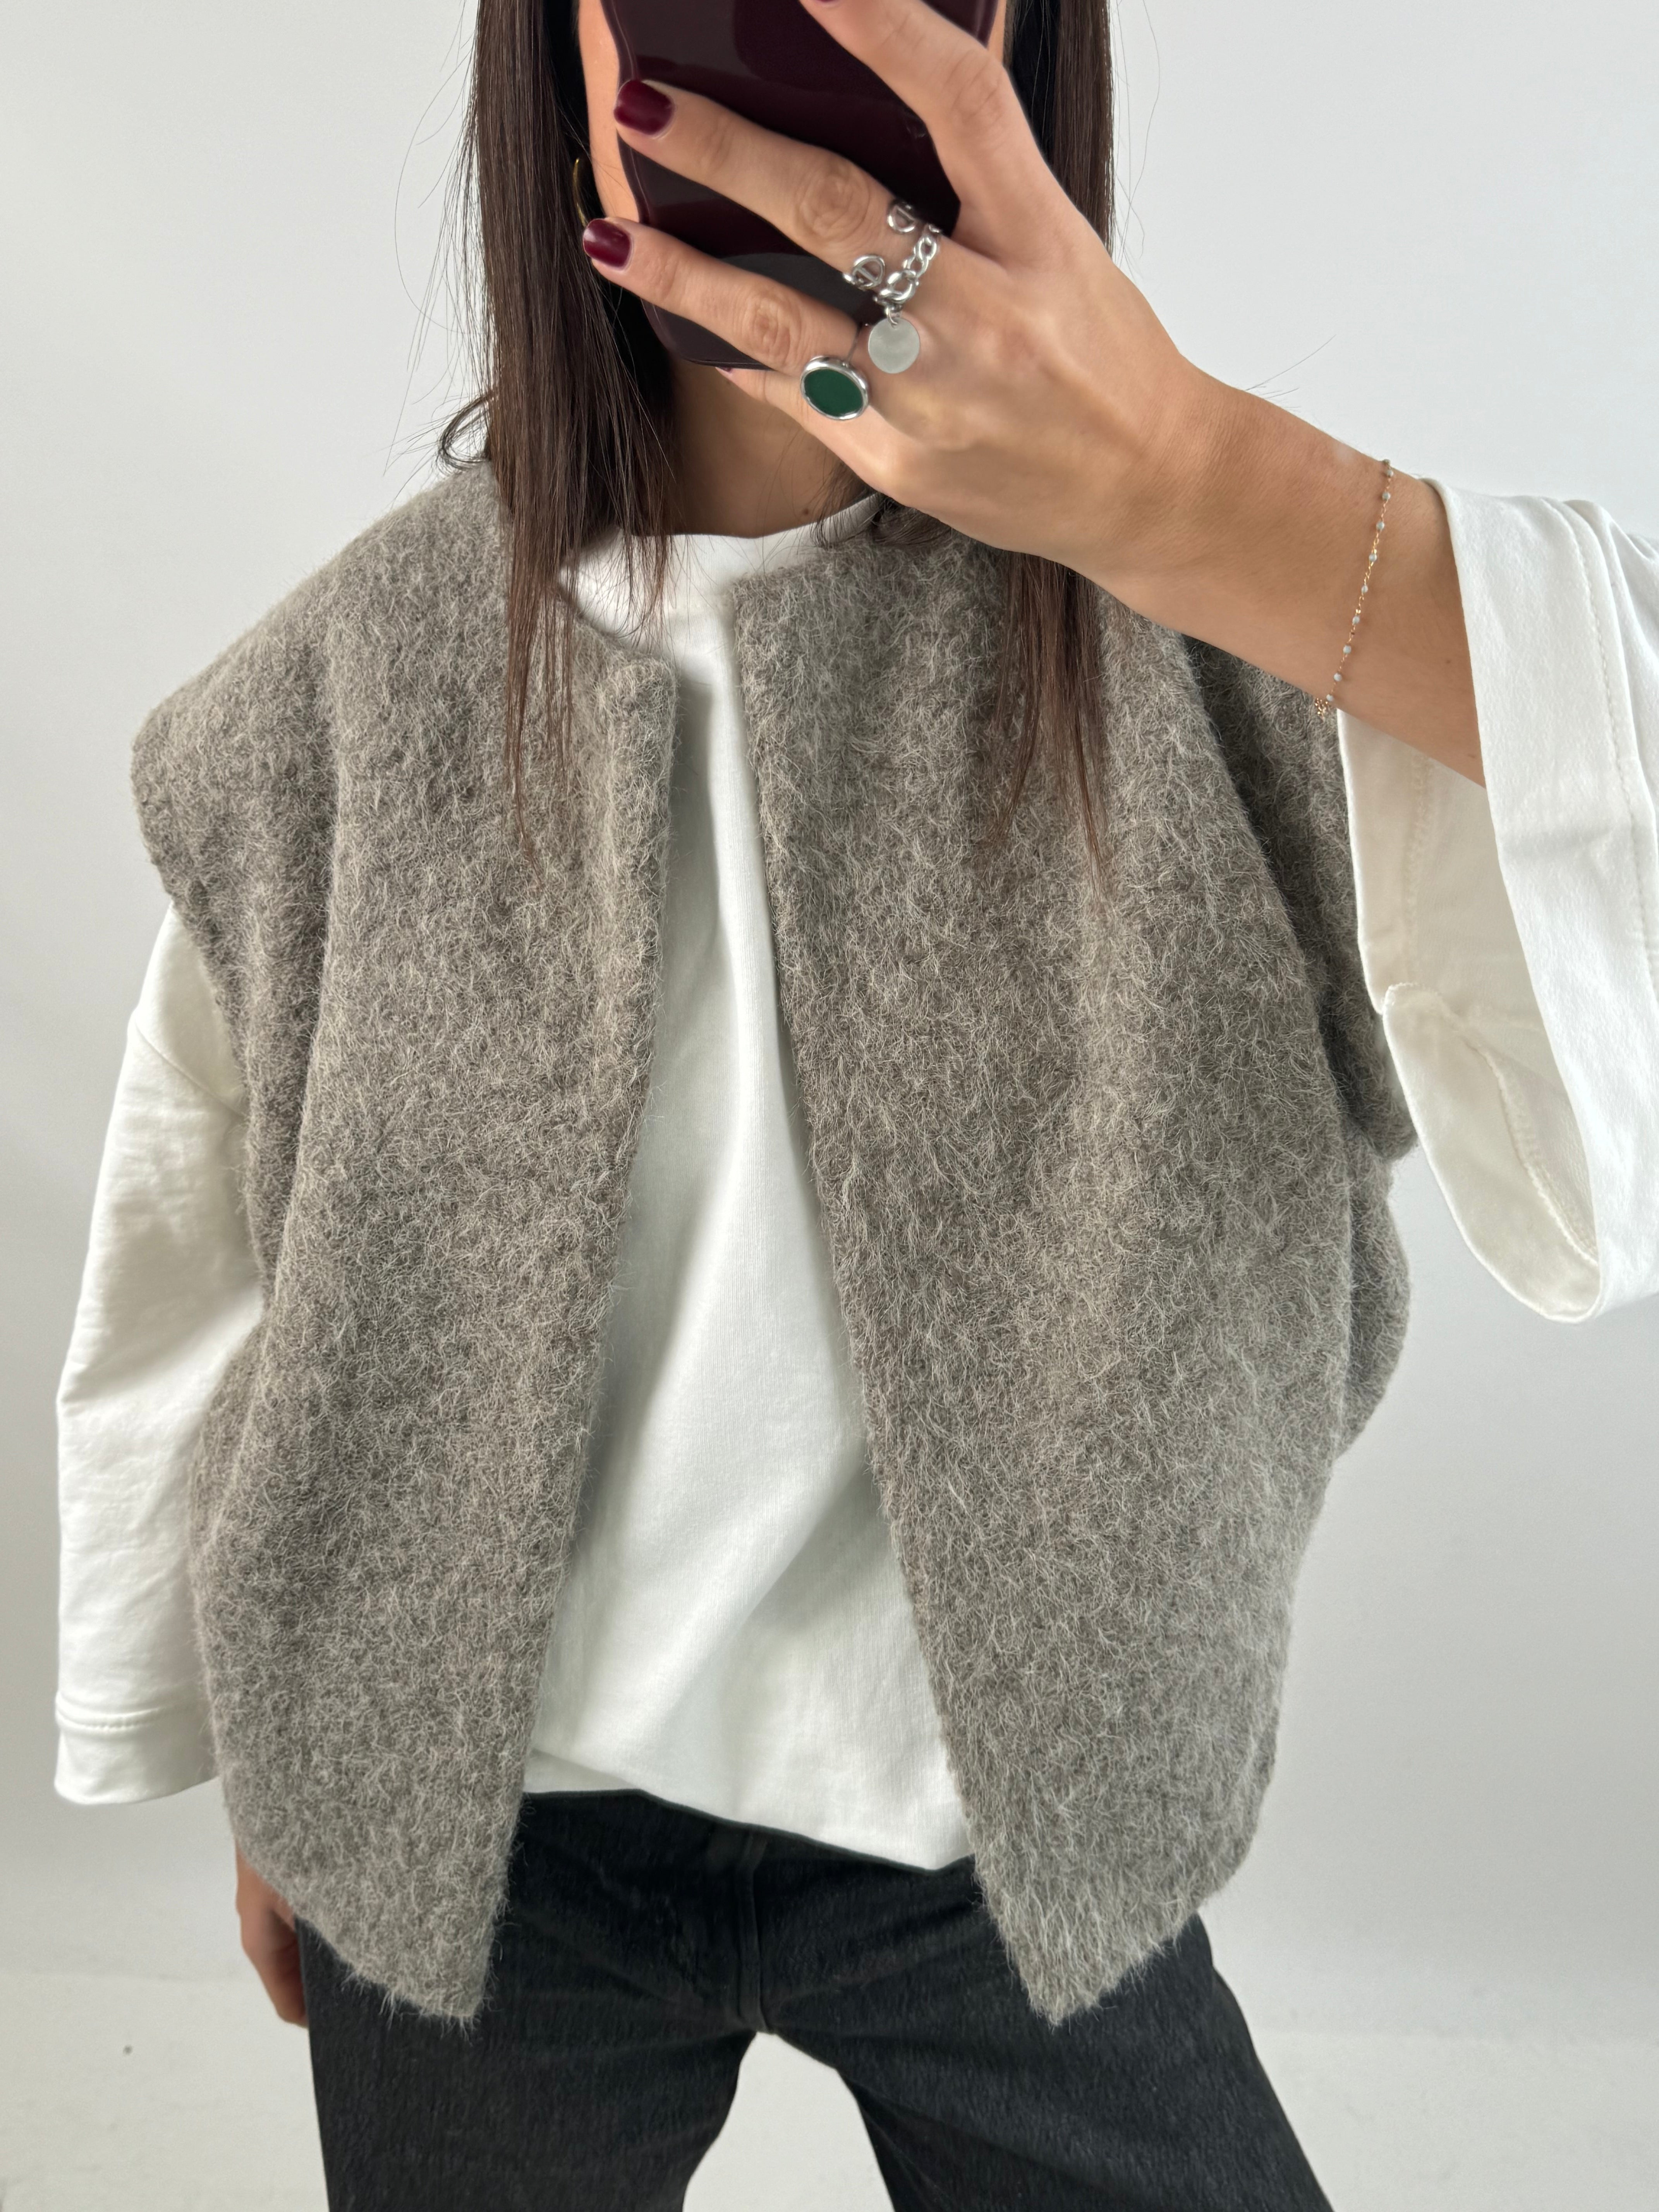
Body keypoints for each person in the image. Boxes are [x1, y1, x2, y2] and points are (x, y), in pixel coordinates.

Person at [53, 0, 1658, 2204]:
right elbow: (209, 1236)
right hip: (477, 1830)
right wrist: (267, 1747)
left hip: (1011, 1830)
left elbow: (1600, 785)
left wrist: (1198, 486)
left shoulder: (1211, 631)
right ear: (556, 61)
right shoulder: (337, 695)